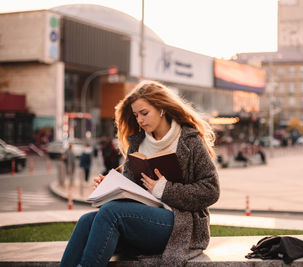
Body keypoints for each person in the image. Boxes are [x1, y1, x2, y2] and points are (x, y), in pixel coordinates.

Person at [60, 80, 220, 266]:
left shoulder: (189, 141)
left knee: (111, 213)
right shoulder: (137, 143)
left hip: (180, 223)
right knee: (86, 220)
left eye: (144, 113)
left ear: (161, 108)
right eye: (136, 115)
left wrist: (164, 189)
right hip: (144, 218)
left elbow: (212, 189)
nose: (140, 120)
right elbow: (131, 188)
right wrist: (111, 187)